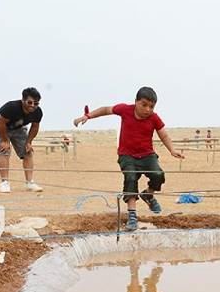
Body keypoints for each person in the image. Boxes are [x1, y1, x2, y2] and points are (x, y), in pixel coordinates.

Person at [73, 87, 184, 231]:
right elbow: (106, 110)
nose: (148, 109)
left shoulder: (154, 118)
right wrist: (88, 116)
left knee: (158, 175)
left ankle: (148, 195)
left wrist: (172, 150)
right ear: (136, 102)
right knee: (130, 178)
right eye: (144, 105)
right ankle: (132, 216)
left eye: (151, 106)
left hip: (147, 155)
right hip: (127, 156)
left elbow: (164, 135)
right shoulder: (125, 110)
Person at [0, 88, 45, 193]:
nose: (32, 105)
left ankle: (29, 183)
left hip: (18, 129)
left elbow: (35, 127)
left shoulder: (37, 112)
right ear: (23, 100)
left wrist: (29, 142)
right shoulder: (11, 107)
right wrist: (5, 140)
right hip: (0, 127)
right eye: (30, 102)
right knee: (4, 150)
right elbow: (0, 122)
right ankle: (4, 183)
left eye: (36, 103)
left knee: (27, 152)